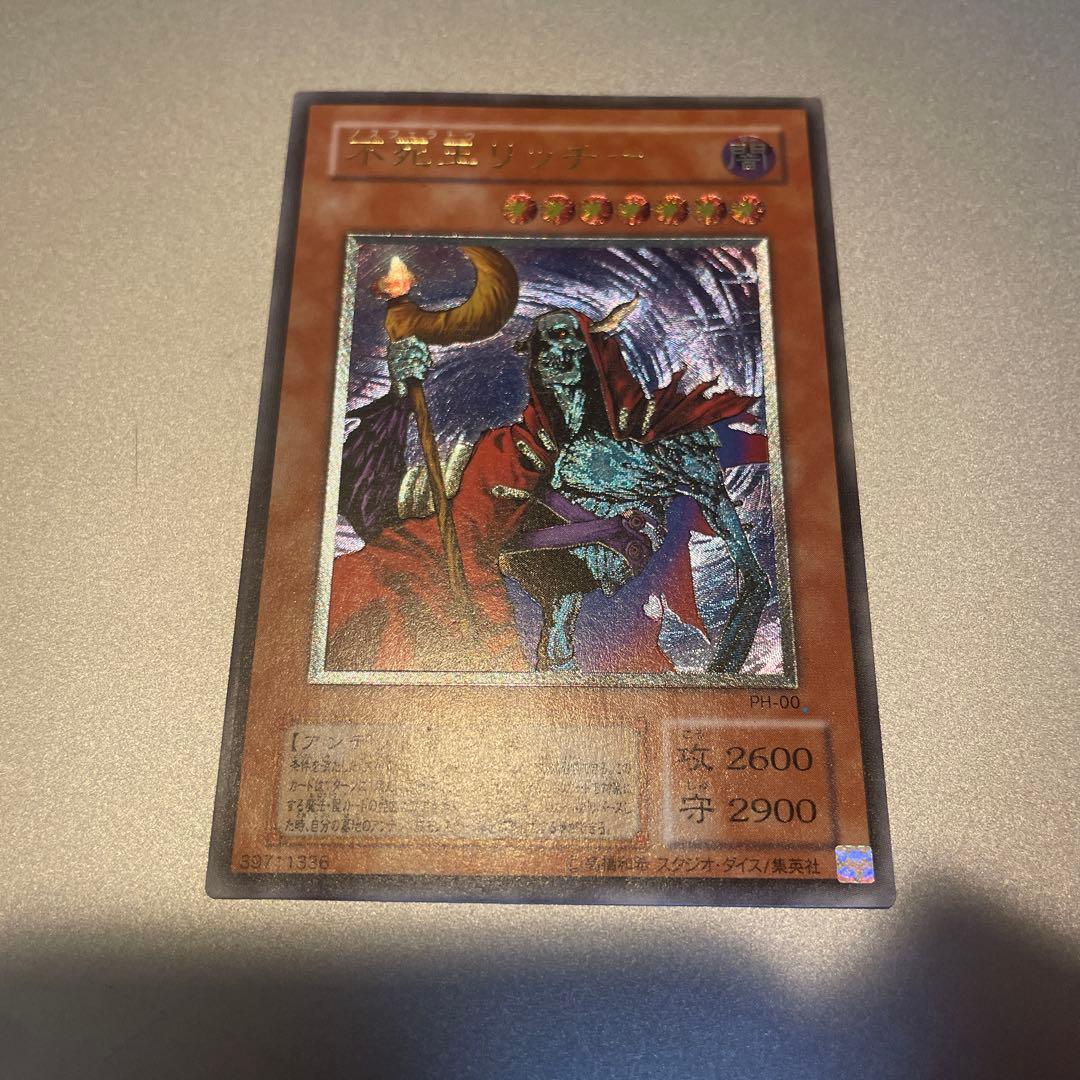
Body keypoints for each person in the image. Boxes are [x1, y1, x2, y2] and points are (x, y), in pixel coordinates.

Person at [327, 305, 769, 674]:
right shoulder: (510, 448)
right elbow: (464, 527)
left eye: (568, 340)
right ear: (534, 363)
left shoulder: (654, 441)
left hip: (607, 601)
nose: (558, 354)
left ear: (593, 352)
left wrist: (724, 673)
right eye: (546, 346)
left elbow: (749, 572)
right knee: (387, 584)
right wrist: (401, 394)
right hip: (506, 587)